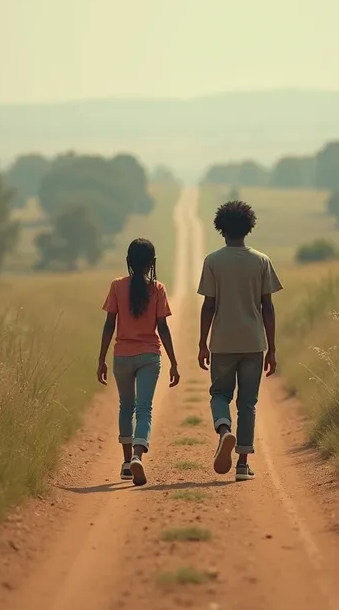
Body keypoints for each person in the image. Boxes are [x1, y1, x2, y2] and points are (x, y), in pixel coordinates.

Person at [197, 200, 283, 481]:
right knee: (248, 402)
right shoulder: (261, 261)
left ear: (221, 229)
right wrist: (271, 348)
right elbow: (267, 307)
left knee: (220, 394)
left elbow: (208, 305)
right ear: (249, 228)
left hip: (222, 342)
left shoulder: (212, 261)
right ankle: (243, 464)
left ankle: (225, 431)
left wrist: (202, 342)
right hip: (253, 342)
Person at [97, 238, 180, 486]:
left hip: (122, 355)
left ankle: (125, 465)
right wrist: (174, 362)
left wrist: (101, 358)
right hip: (149, 357)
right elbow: (163, 329)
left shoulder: (116, 286)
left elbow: (109, 324)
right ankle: (137, 456)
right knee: (144, 409)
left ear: (129, 262)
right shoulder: (158, 289)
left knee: (126, 406)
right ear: (152, 262)